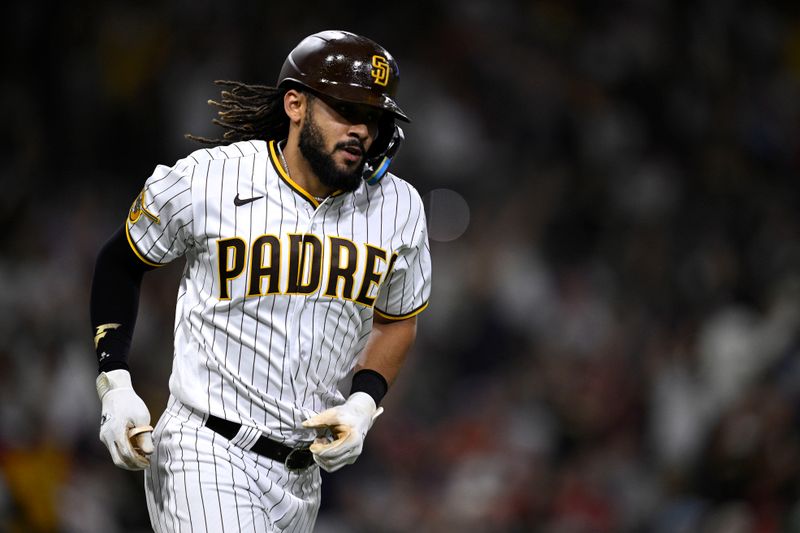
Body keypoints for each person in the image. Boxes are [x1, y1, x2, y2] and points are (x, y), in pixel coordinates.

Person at [90, 30, 431, 532]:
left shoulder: (400, 208)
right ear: (296, 104)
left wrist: (362, 402)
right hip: (206, 451)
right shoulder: (210, 178)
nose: (362, 128)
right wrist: (115, 384)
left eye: (374, 117)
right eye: (345, 109)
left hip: (303, 477)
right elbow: (121, 261)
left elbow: (397, 321)